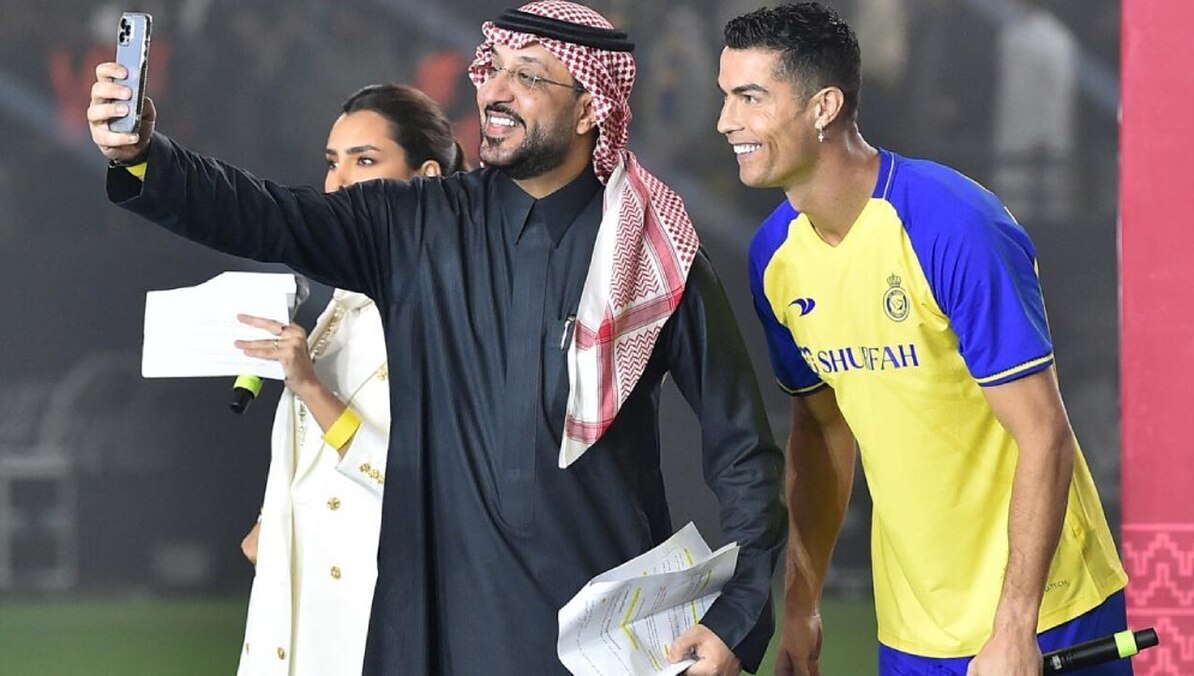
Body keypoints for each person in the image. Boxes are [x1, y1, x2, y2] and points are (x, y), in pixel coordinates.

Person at [87, 2, 785, 674]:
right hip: (436, 633)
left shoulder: (651, 256)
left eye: (529, 74)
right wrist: (146, 155)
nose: (497, 91)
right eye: (493, 67)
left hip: (603, 644)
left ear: (589, 108)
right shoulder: (414, 225)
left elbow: (742, 453)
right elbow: (263, 214)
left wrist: (737, 617)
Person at [716, 4, 1127, 675]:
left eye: (750, 97)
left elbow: (1044, 435)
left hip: (1048, 613)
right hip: (913, 633)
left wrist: (1015, 625)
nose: (726, 121)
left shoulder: (954, 224)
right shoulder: (774, 255)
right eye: (726, 96)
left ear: (823, 107)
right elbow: (821, 432)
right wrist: (801, 604)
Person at [234, 83, 466, 675]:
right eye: (332, 162)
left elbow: (411, 476)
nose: (337, 184)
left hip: (369, 602)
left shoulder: (444, 308)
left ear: (427, 178)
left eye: (364, 161)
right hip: (300, 590)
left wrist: (311, 387)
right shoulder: (344, 299)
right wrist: (273, 517)